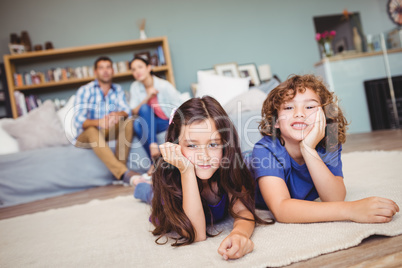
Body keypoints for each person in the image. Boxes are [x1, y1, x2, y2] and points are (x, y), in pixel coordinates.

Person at [133, 96, 272, 260]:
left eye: (213, 145)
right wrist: (186, 170)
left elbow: (242, 210)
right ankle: (139, 183)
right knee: (148, 193)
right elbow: (197, 234)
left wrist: (240, 234)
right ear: (176, 145)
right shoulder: (168, 180)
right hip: (166, 190)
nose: (204, 156)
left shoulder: (228, 168)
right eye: (192, 145)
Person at [251, 74, 399, 223]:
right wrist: (351, 209)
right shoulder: (264, 149)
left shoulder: (330, 140)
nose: (299, 113)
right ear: (275, 121)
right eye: (289, 107)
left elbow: (334, 198)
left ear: (325, 115)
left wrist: (308, 148)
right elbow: (281, 210)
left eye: (310, 107)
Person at [74, 56, 138, 183]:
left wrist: (117, 114)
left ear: (113, 71)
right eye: (101, 68)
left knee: (128, 122)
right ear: (95, 72)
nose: (105, 71)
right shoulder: (85, 90)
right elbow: (78, 120)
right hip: (85, 136)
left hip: (107, 132)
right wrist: (99, 122)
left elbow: (127, 111)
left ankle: (118, 175)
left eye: (108, 67)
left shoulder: (117, 90)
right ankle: (123, 172)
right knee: (92, 130)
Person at [129, 57, 182, 175]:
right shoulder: (135, 87)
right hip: (152, 123)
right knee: (138, 123)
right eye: (133, 69)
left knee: (140, 125)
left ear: (148, 68)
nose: (137, 71)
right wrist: (148, 97)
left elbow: (177, 108)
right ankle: (155, 157)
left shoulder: (164, 85)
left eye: (140, 67)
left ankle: (154, 162)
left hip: (168, 121)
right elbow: (133, 111)